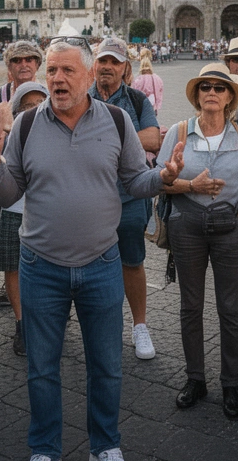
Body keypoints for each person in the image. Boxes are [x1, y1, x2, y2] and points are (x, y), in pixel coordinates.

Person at [0, 38, 181, 461]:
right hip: (39, 267)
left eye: (67, 71)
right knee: (42, 368)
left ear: (87, 76)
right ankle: (44, 447)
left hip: (102, 264)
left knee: (106, 366)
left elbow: (136, 182)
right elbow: (10, 196)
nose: (58, 79)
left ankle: (105, 444)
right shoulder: (26, 126)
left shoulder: (118, 121)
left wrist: (164, 177)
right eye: (52, 71)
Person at [155, 62, 238, 419]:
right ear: (197, 95)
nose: (211, 93)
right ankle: (195, 379)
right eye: (205, 88)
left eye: (219, 87)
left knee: (231, 308)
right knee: (190, 305)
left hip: (230, 225)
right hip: (188, 223)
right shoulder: (180, 132)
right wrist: (189, 185)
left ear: (230, 96)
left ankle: (230, 383)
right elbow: (162, 181)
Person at [90, 37, 164, 360]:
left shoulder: (136, 100)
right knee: (91, 263)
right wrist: (127, 139)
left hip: (130, 195)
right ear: (94, 65)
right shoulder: (81, 95)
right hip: (90, 197)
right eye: (102, 61)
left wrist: (102, 136)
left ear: (125, 68)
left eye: (114, 62)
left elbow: (154, 138)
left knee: (132, 262)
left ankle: (140, 326)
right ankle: (102, 327)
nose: (107, 67)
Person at [0, 81, 49, 356]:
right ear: (18, 109)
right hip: (15, 209)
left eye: (39, 104)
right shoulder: (11, 133)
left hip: (48, 210)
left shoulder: (57, 131)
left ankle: (46, 319)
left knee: (48, 267)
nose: (34, 109)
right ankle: (22, 323)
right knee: (13, 266)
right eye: (27, 105)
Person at [0, 39, 44, 111]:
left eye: (29, 60)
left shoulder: (46, 94)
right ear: (9, 66)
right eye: (17, 61)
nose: (23, 65)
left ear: (37, 64)